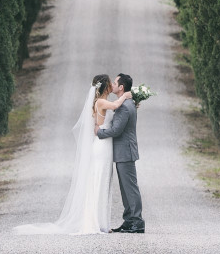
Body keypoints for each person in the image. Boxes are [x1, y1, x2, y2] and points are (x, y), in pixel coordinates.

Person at [13, 74, 132, 235]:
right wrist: (126, 95)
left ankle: (102, 222)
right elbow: (117, 106)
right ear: (105, 86)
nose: (112, 84)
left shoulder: (101, 102)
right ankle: (95, 222)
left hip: (105, 146)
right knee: (98, 182)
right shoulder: (101, 102)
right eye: (110, 82)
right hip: (102, 146)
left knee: (103, 182)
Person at [96, 73, 145, 233]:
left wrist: (100, 133)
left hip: (126, 152)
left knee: (130, 188)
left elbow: (116, 130)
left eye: (115, 83)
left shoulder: (124, 106)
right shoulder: (125, 103)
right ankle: (129, 220)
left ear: (121, 87)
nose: (113, 85)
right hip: (122, 152)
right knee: (125, 188)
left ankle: (137, 222)